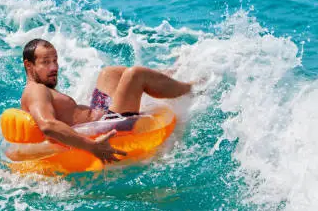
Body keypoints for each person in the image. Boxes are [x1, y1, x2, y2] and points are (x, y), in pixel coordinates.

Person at [20, 38, 193, 164]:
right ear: (29, 65)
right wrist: (92, 146)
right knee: (135, 75)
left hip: (99, 110)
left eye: (55, 61)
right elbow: (48, 126)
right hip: (109, 122)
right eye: (46, 62)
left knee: (108, 73)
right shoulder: (36, 90)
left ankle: (170, 75)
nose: (54, 68)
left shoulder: (40, 88)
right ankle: (191, 88)